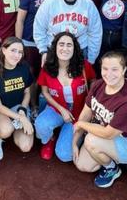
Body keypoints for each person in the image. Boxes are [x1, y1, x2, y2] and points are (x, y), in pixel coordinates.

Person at [73, 51, 127, 188]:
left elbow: (107, 133)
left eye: (115, 69)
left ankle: (112, 168)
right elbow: (86, 113)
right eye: (105, 69)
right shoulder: (98, 85)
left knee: (90, 140)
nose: (109, 74)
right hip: (107, 135)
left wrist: (81, 124)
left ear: (124, 70)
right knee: (83, 165)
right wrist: (74, 143)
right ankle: (114, 157)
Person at [35, 32, 96, 161]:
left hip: (78, 112)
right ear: (55, 47)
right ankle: (49, 139)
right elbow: (44, 92)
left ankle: (69, 132)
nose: (65, 48)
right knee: (40, 125)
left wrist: (89, 110)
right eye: (61, 44)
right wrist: (62, 110)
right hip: (57, 109)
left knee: (65, 155)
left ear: (74, 48)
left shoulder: (84, 65)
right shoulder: (48, 66)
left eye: (69, 45)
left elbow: (93, 84)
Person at [15, 0, 59, 112]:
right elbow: (20, 20)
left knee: (50, 77)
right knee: (32, 77)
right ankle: (33, 107)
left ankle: (50, 107)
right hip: (30, 42)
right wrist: (18, 43)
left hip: (52, 44)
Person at [34, 0, 103, 65]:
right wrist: (43, 50)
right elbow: (39, 29)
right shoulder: (49, 2)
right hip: (54, 50)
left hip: (80, 51)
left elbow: (95, 33)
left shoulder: (88, 4)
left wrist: (91, 59)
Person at [0, 37, 34, 160]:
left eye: (20, 52)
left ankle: (13, 126)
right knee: (6, 129)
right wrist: (21, 118)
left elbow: (27, 92)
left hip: (18, 108)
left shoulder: (24, 67)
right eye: (13, 50)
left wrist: (23, 110)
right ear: (3, 50)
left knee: (26, 146)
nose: (17, 55)